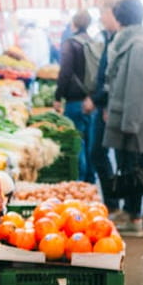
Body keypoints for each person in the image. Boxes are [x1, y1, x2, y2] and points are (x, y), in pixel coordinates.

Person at [102, 0, 143, 238]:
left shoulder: (137, 45)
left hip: (135, 120)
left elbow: (136, 88)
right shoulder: (133, 42)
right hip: (135, 118)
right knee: (139, 167)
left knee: (135, 168)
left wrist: (130, 125)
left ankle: (137, 218)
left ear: (119, 17)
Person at [85, 0, 121, 217]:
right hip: (105, 106)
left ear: (113, 13)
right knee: (100, 153)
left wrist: (101, 101)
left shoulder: (118, 40)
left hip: (109, 108)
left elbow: (111, 78)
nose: (100, 17)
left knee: (99, 153)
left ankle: (115, 203)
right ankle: (114, 201)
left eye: (103, 13)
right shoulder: (110, 38)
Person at [53, 10, 94, 179]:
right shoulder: (93, 43)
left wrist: (57, 97)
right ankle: (90, 180)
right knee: (91, 143)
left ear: (73, 24)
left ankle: (79, 181)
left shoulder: (70, 44)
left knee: (77, 142)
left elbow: (65, 72)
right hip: (91, 101)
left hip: (74, 102)